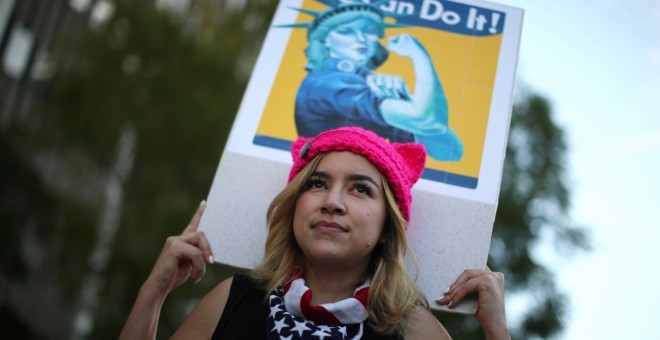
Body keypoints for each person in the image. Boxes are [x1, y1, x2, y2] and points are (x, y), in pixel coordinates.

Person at [120, 127, 509, 339]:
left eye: (360, 188)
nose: (333, 201)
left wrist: (497, 332)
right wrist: (152, 293)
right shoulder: (231, 301)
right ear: (295, 204)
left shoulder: (411, 331)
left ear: (389, 226)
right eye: (317, 183)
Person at [283, 1, 464, 161]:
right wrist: (419, 55)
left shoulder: (368, 84)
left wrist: (405, 101)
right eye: (345, 31)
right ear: (325, 40)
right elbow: (428, 121)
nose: (361, 39)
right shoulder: (328, 83)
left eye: (369, 31)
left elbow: (449, 152)